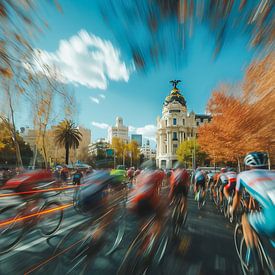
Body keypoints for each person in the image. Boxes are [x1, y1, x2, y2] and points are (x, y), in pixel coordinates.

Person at [230, 152, 275, 252]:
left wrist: (232, 211)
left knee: (245, 219)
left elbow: (237, 197)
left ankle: (255, 264)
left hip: (272, 220)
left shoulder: (242, 175)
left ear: (247, 165)